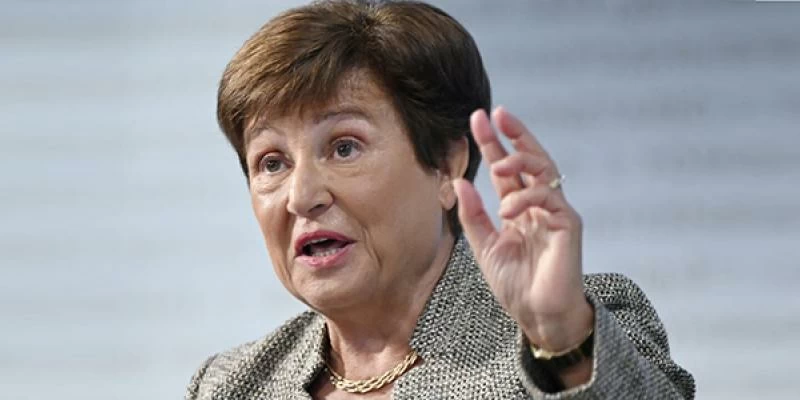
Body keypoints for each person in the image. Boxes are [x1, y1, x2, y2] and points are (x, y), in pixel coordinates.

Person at [185, 1, 695, 398]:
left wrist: (561, 341)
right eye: (272, 163)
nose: (302, 197)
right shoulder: (231, 385)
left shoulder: (578, 330)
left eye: (344, 147)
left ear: (447, 165)